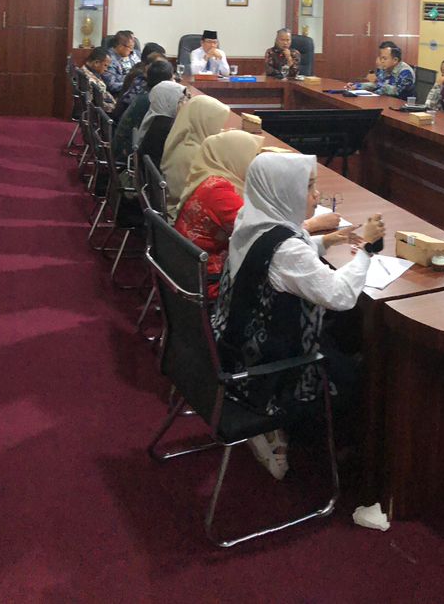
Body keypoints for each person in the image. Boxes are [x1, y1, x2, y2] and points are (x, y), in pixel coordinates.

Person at [212, 153, 384, 479]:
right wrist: (367, 250)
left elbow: (277, 256)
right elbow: (340, 295)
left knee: (343, 334)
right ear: (283, 192)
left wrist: (325, 241)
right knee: (356, 375)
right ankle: (336, 454)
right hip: (264, 369)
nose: (316, 195)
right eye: (308, 187)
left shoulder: (252, 218)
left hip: (235, 341)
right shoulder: (288, 250)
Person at [175, 133, 346, 299]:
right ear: (236, 156)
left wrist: (324, 241)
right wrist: (315, 224)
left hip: (192, 271)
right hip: (213, 283)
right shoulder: (219, 193)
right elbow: (264, 233)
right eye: (252, 155)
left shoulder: (215, 180)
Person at [161, 95, 231, 216]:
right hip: (183, 213)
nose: (219, 129)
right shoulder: (195, 155)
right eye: (217, 124)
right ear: (204, 123)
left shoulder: (182, 139)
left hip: (175, 204)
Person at [113, 59, 176, 162]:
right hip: (128, 152)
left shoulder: (146, 92)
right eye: (172, 78)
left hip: (123, 144)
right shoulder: (154, 100)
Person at [133, 82, 189, 169]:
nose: (186, 103)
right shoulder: (167, 128)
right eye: (182, 100)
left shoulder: (155, 118)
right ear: (168, 102)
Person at [347, 41, 415, 98]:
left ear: (395, 60)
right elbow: (376, 85)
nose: (381, 61)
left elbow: (397, 92)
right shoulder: (385, 68)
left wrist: (377, 82)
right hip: (384, 100)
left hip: (399, 105)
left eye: (384, 58)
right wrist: (357, 86)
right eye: (381, 58)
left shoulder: (405, 72)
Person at [104, 31, 140, 95]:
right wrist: (132, 85)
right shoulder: (109, 59)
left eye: (133, 47)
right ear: (120, 46)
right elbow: (111, 85)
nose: (132, 50)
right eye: (130, 47)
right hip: (123, 93)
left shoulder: (134, 54)